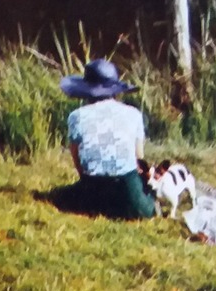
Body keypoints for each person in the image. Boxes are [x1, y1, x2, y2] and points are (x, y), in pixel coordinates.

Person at [60, 58, 156, 219]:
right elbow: (139, 158)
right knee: (147, 197)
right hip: (127, 191)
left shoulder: (76, 116)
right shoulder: (134, 114)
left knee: (62, 196)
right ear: (115, 90)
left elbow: (78, 161)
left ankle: (91, 202)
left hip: (93, 190)